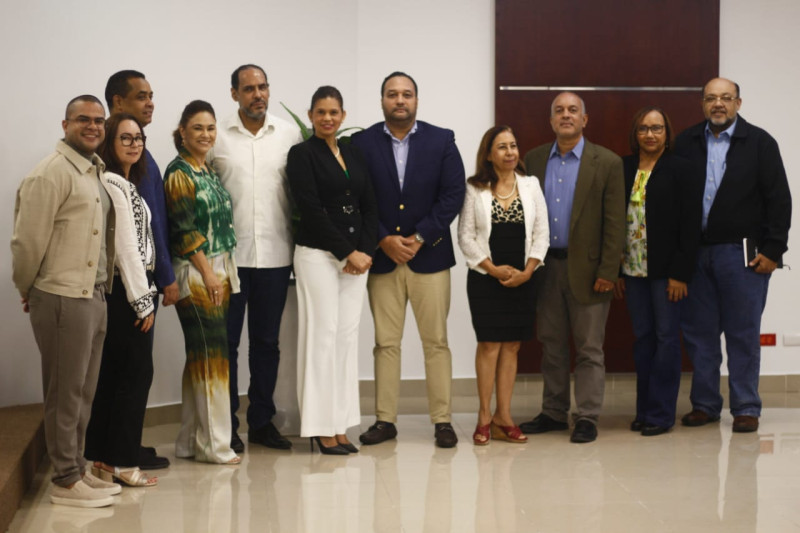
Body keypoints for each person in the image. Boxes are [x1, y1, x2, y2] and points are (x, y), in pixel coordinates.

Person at [11, 95, 121, 507]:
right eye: (83, 120)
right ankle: (64, 479)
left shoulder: (93, 171)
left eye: (98, 120)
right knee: (64, 392)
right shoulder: (51, 173)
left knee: (83, 391)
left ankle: (76, 465)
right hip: (61, 296)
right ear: (65, 124)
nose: (92, 126)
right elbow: (26, 243)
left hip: (91, 294)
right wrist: (30, 289)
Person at [353, 72, 466, 449]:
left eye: (406, 94)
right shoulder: (361, 142)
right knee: (386, 343)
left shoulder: (442, 139)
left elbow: (452, 195)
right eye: (392, 94)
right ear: (382, 99)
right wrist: (383, 238)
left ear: (417, 100)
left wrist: (418, 237)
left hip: (429, 257)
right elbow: (357, 199)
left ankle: (443, 421)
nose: (399, 100)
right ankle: (385, 420)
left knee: (436, 342)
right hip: (383, 261)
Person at [673, 78, 791, 433]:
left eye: (726, 98)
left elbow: (779, 200)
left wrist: (773, 250)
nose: (718, 104)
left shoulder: (759, 143)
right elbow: (675, 200)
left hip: (742, 257)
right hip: (696, 255)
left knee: (742, 334)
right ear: (702, 104)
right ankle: (706, 405)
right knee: (699, 335)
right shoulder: (687, 142)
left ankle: (746, 407)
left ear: (738, 103)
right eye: (711, 98)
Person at [519, 91, 625, 444]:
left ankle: (588, 416)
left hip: (591, 272)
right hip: (545, 269)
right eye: (559, 111)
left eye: (573, 110)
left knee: (590, 348)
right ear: (551, 121)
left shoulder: (607, 162)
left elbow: (615, 223)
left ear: (585, 119)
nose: (566, 115)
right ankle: (553, 411)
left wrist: (609, 271)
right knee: (551, 345)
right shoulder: (532, 160)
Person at [211, 64, 302, 453]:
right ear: (234, 94)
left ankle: (262, 422)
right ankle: (227, 427)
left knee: (267, 343)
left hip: (277, 255)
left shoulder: (289, 134)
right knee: (227, 344)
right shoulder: (216, 137)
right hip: (229, 261)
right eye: (248, 89)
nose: (258, 94)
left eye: (263, 87)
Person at [287, 86, 377, 455]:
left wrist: (364, 251)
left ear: (342, 115)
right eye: (321, 112)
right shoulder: (301, 154)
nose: (328, 118)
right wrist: (346, 252)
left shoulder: (354, 154)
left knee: (346, 339)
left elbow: (370, 205)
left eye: (334, 112)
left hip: (356, 259)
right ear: (310, 116)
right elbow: (310, 209)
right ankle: (320, 428)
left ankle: (340, 426)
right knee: (322, 337)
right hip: (317, 255)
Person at [457, 126, 549, 445]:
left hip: (524, 278)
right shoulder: (475, 188)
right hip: (486, 278)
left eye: (513, 146)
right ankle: (484, 417)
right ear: (488, 154)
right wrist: (493, 269)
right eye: (502, 147)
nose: (510, 152)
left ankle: (503, 417)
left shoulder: (531, 185)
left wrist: (527, 271)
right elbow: (465, 236)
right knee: (489, 345)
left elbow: (542, 234)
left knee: (512, 345)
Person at [613, 107, 702, 436]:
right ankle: (644, 410)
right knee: (643, 339)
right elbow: (614, 222)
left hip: (667, 273)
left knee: (666, 339)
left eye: (657, 129)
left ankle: (661, 414)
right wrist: (617, 271)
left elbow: (690, 226)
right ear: (635, 134)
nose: (650, 135)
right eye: (643, 129)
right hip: (632, 271)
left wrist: (681, 273)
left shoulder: (683, 169)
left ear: (668, 133)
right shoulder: (623, 168)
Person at [105, 70, 177, 470]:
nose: (150, 103)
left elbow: (156, 226)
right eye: (140, 96)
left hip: (143, 283)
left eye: (152, 96)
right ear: (117, 103)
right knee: (130, 373)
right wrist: (163, 280)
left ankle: (128, 444)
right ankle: (121, 452)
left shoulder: (142, 158)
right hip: (131, 289)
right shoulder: (115, 171)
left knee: (136, 372)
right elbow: (138, 239)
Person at [164, 100, 241, 464]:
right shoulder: (179, 173)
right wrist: (208, 274)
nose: (206, 134)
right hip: (197, 273)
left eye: (211, 128)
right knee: (213, 360)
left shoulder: (206, 170)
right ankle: (215, 446)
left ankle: (190, 442)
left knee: (202, 357)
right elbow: (183, 230)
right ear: (182, 131)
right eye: (198, 128)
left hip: (219, 269)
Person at [85, 113, 159, 485]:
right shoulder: (116, 182)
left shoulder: (125, 182)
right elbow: (127, 249)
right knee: (134, 376)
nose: (134, 143)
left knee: (115, 376)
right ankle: (123, 464)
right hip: (130, 291)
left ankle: (102, 459)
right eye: (125, 138)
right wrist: (143, 301)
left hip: (127, 290)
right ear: (110, 143)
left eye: (138, 137)